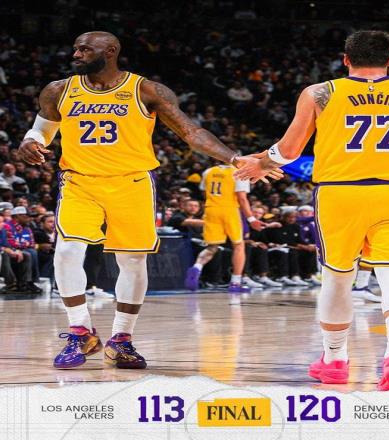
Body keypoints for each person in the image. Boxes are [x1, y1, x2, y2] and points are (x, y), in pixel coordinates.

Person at [18, 31, 279, 370]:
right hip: (80, 182)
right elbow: (42, 129)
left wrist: (233, 158)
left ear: (110, 51)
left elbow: (190, 132)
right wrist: (31, 140)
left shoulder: (146, 90)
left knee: (132, 260)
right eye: (75, 49)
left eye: (85, 49)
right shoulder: (58, 90)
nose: (76, 54)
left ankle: (121, 339)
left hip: (133, 183)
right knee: (67, 252)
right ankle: (80, 331)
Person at [235, 30, 389, 390]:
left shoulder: (319, 93)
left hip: (339, 194)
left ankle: (335, 360)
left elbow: (290, 150)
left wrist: (262, 163)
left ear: (346, 59)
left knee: (338, 278)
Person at [184, 162, 265, 293]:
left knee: (212, 247)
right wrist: (252, 219)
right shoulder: (239, 172)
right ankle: (235, 283)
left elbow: (204, 192)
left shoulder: (208, 171)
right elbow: (242, 199)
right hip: (229, 210)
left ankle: (197, 267)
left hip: (211, 209)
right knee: (239, 245)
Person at [0, 211, 34, 293]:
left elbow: (6, 244)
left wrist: (15, 250)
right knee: (4, 254)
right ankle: (10, 283)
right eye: (0, 222)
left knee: (26, 255)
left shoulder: (1, 230)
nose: (3, 224)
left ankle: (25, 283)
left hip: (0, 251)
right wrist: (3, 249)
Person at [3, 206, 42, 293]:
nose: (29, 218)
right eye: (26, 216)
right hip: (10, 250)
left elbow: (32, 243)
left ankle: (29, 282)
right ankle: (28, 282)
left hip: (23, 250)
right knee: (31, 252)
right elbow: (11, 243)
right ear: (17, 216)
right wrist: (24, 245)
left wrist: (22, 245)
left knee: (32, 252)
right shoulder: (7, 226)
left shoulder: (27, 228)